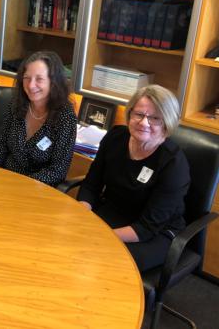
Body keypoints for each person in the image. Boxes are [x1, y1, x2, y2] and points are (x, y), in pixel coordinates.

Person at [77, 85, 190, 272]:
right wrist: (82, 214)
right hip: (113, 212)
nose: (144, 123)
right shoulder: (115, 137)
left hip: (154, 232)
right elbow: (91, 184)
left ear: (167, 122)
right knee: (70, 237)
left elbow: (146, 227)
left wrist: (101, 235)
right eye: (138, 114)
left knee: (107, 261)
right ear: (130, 114)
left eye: (154, 118)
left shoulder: (174, 164)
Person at [0, 51, 77, 186]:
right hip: (3, 180)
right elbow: (0, 144)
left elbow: (57, 170)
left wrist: (22, 185)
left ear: (53, 82)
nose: (31, 85)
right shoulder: (17, 104)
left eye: (39, 79)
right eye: (27, 78)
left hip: (37, 189)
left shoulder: (65, 117)